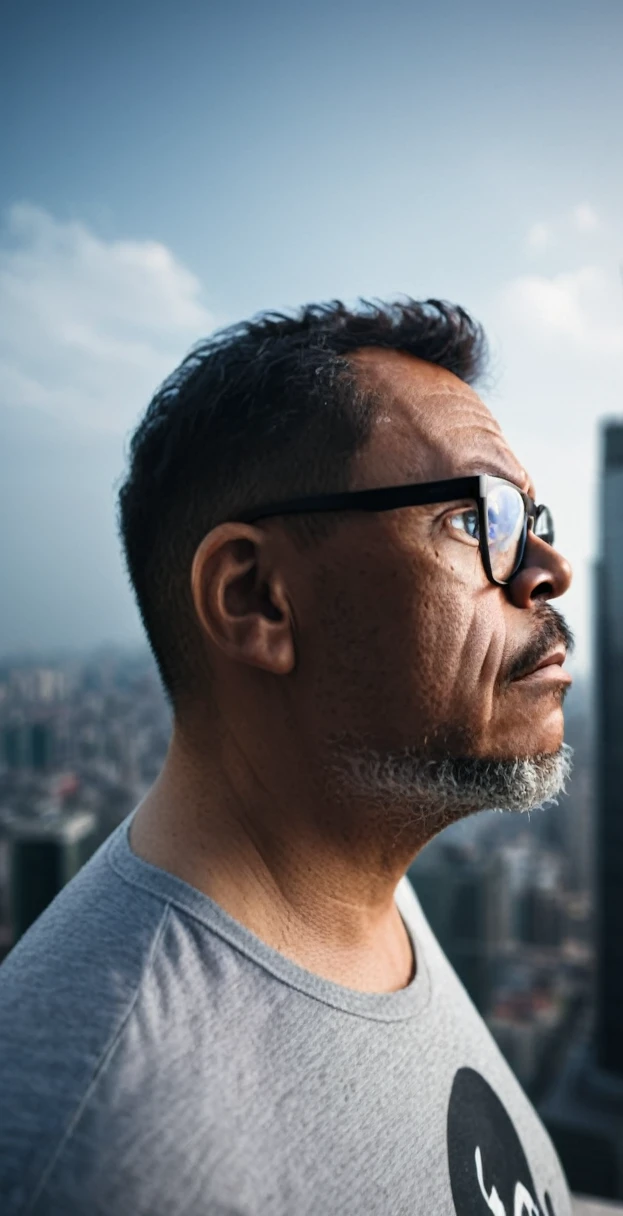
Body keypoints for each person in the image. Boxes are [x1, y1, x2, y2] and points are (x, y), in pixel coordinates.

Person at [0, 299, 575, 1215]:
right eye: (478, 520)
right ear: (256, 597)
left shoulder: (366, 898)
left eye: (533, 516)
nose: (546, 567)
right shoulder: (94, 1147)